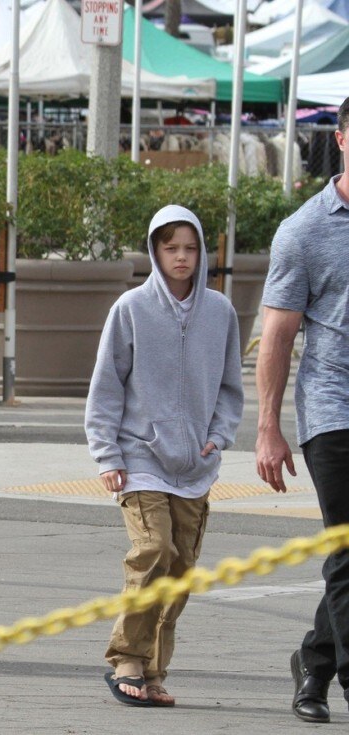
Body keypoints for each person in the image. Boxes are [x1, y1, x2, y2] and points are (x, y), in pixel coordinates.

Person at [85, 205, 243, 707]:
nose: (181, 257)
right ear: (154, 250)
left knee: (180, 570)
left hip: (195, 464)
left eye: (190, 248)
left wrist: (219, 435)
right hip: (140, 457)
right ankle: (128, 657)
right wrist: (108, 455)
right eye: (170, 247)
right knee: (153, 551)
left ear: (202, 253)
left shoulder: (220, 312)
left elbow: (230, 386)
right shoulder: (130, 308)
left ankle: (154, 670)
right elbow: (106, 385)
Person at [256, 95, 349, 725]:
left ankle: (315, 659)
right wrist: (268, 428)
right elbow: (278, 335)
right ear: (342, 139)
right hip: (333, 407)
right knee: (347, 553)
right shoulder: (306, 229)